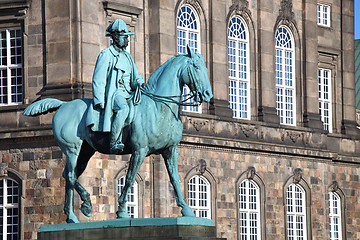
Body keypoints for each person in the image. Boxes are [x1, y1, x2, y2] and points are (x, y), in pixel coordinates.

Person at [92, 19, 144, 153]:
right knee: (123, 109)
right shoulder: (107, 54)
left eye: (128, 37)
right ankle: (114, 141)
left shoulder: (128, 56)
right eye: (125, 37)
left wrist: (139, 82)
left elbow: (135, 75)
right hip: (116, 93)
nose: (127, 40)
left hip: (130, 93)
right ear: (115, 37)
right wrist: (99, 100)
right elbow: (99, 79)